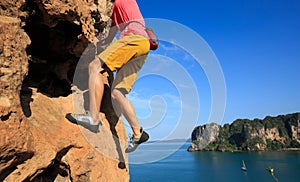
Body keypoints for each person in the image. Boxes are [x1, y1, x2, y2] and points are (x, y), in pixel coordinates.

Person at [66, 0, 151, 153]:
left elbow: (108, 32)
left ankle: (93, 118)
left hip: (133, 39)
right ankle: (138, 133)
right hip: (144, 44)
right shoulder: (118, 13)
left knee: (94, 66)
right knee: (118, 92)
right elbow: (110, 35)